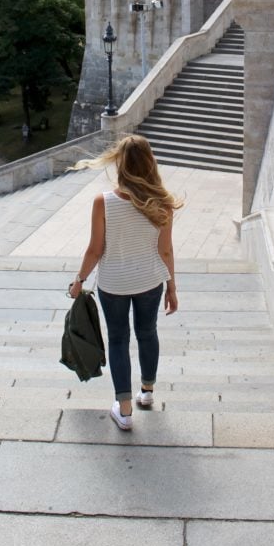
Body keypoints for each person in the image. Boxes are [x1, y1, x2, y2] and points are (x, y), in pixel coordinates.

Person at [69, 135, 183, 431]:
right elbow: (166, 250)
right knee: (147, 332)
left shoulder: (103, 202)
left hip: (113, 283)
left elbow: (95, 249)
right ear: (150, 163)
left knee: (118, 340)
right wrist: (171, 286)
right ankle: (146, 392)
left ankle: (125, 408)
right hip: (149, 281)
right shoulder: (162, 203)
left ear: (120, 163)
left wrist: (79, 280)